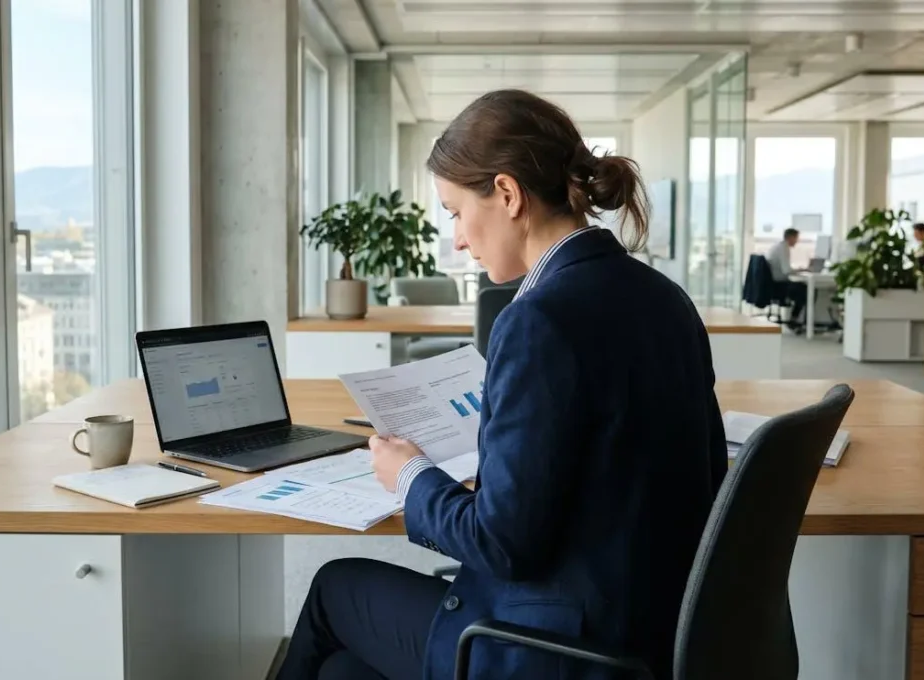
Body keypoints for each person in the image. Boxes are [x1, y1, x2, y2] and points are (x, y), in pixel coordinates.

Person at [276, 89, 728, 680]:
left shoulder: (538, 320)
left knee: (334, 588)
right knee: (341, 672)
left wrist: (408, 476)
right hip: (652, 625)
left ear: (508, 194)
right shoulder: (663, 296)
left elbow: (503, 545)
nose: (458, 238)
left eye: (457, 212)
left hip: (558, 645)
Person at [766, 227, 806, 329]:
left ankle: (797, 319)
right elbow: (786, 270)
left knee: (801, 287)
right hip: (779, 285)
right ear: (791, 237)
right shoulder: (784, 248)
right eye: (796, 238)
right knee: (805, 290)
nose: (797, 241)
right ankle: (795, 320)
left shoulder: (778, 246)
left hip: (773, 284)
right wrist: (800, 270)